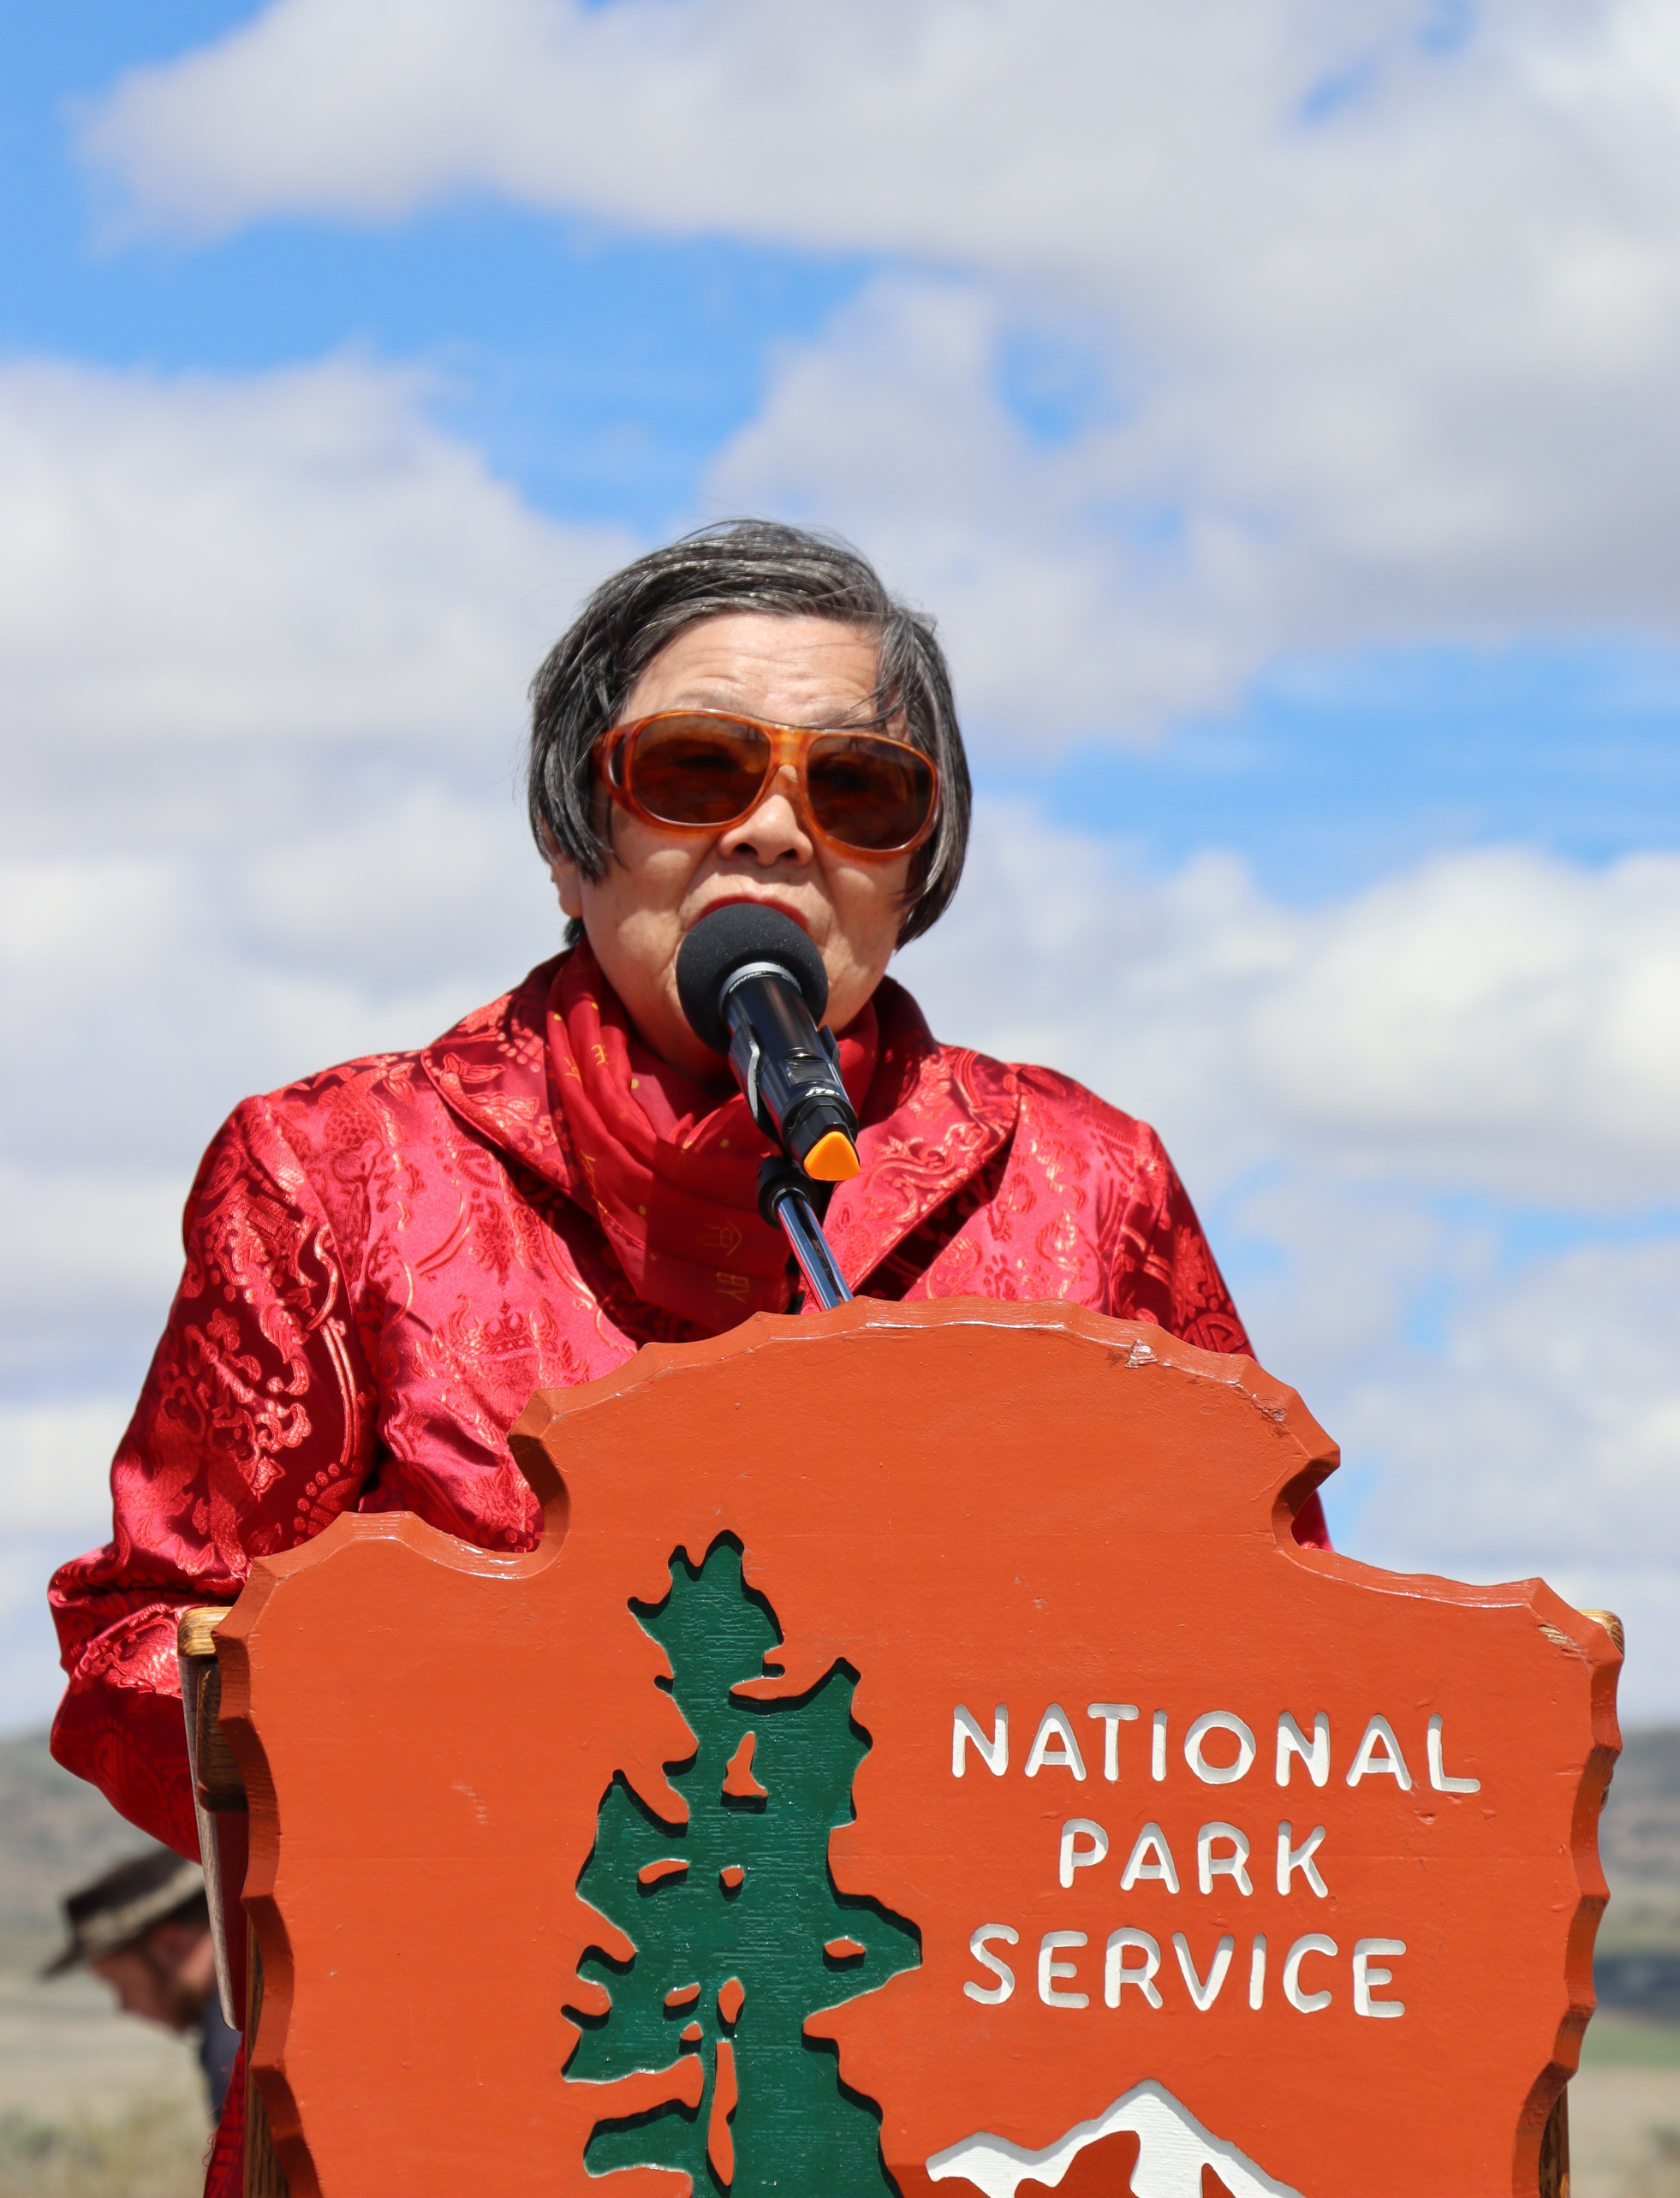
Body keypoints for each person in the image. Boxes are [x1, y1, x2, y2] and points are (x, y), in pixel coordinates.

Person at [48, 518, 1326, 2185]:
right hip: (468, 2103)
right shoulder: (342, 1180)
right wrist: (471, 1745)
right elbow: (147, 1643)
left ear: (912, 876)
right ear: (573, 840)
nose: (779, 828)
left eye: (859, 791)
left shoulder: (1088, 1196)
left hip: (972, 2117)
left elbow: (1277, 1665)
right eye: (697, 769)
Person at [42, 1844, 242, 2119]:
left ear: (169, 1946)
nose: (124, 2007)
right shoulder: (250, 2006)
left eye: (117, 1984)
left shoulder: (234, 2041)